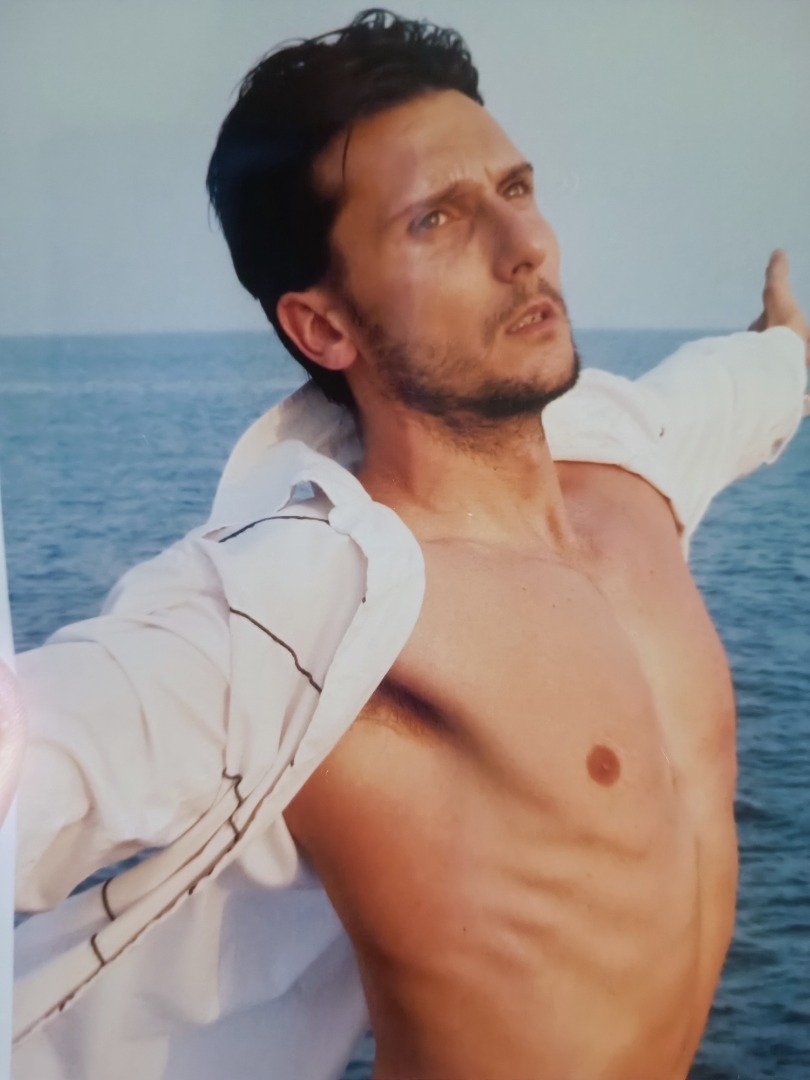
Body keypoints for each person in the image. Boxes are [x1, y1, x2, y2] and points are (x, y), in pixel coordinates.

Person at [9, 9, 809, 1080]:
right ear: (323, 328)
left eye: (516, 189)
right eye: (437, 220)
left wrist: (785, 348)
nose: (524, 249)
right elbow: (51, 749)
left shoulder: (630, 463)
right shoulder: (304, 614)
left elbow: (734, 394)